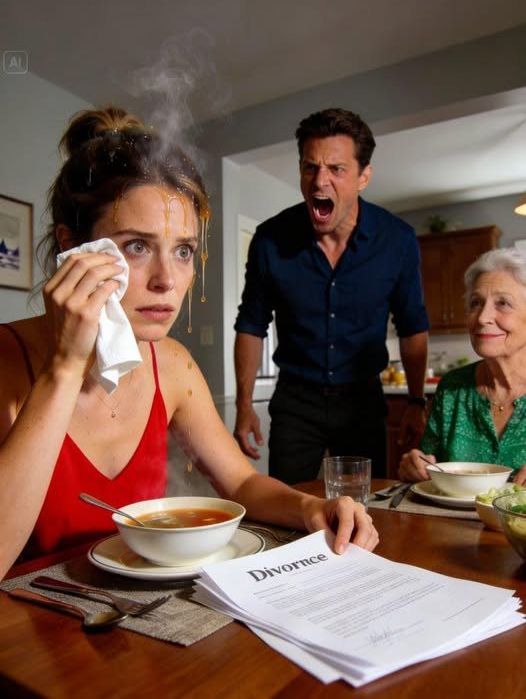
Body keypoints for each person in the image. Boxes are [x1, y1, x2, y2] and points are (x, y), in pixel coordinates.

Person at [0, 106, 379, 580]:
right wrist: (63, 368)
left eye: (183, 250)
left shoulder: (173, 364)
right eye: (137, 246)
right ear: (72, 248)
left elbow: (241, 483)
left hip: (136, 615)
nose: (167, 279)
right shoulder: (6, 361)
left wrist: (311, 507)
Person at [233, 108, 429, 484]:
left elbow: (412, 326)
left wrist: (416, 401)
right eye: (310, 167)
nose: (320, 181)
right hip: (295, 401)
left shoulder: (397, 240)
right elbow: (251, 324)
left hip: (363, 401)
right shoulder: (270, 239)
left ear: (363, 177)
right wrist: (244, 405)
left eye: (336, 169)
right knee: (287, 503)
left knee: (363, 506)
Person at [399, 247, 526, 485]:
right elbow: (429, 468)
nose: (482, 317)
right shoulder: (453, 388)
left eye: (503, 303)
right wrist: (415, 466)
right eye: (476, 303)